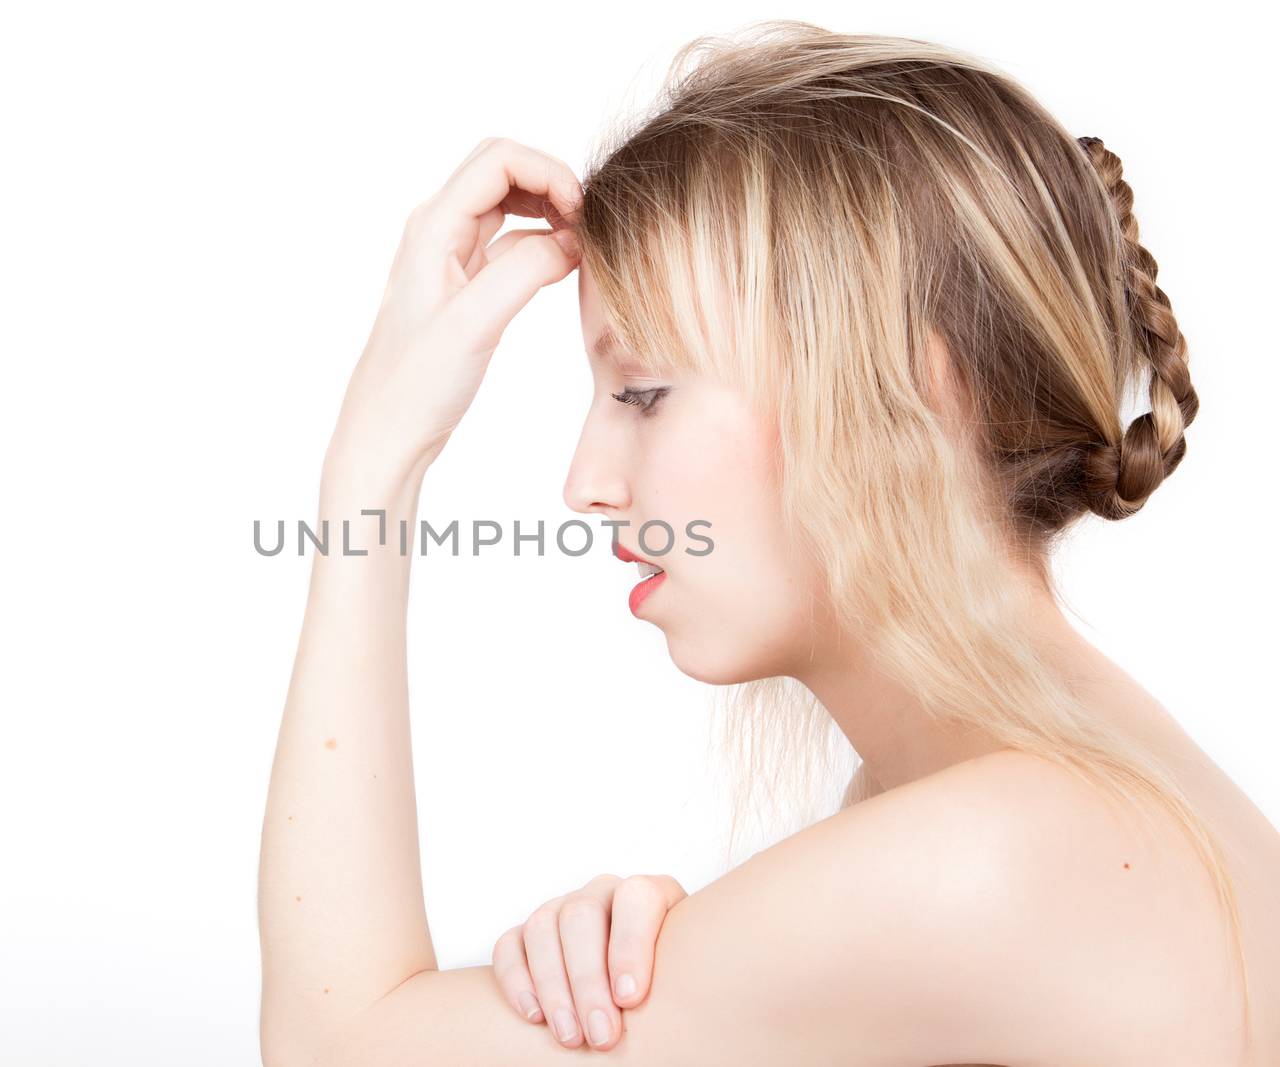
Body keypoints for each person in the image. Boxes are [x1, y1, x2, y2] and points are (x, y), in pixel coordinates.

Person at [256, 20, 1280, 1066]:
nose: (585, 485)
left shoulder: (998, 855)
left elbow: (336, 1043)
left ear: (915, 400)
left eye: (644, 393)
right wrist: (691, 964)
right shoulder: (1018, 806)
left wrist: (373, 468)